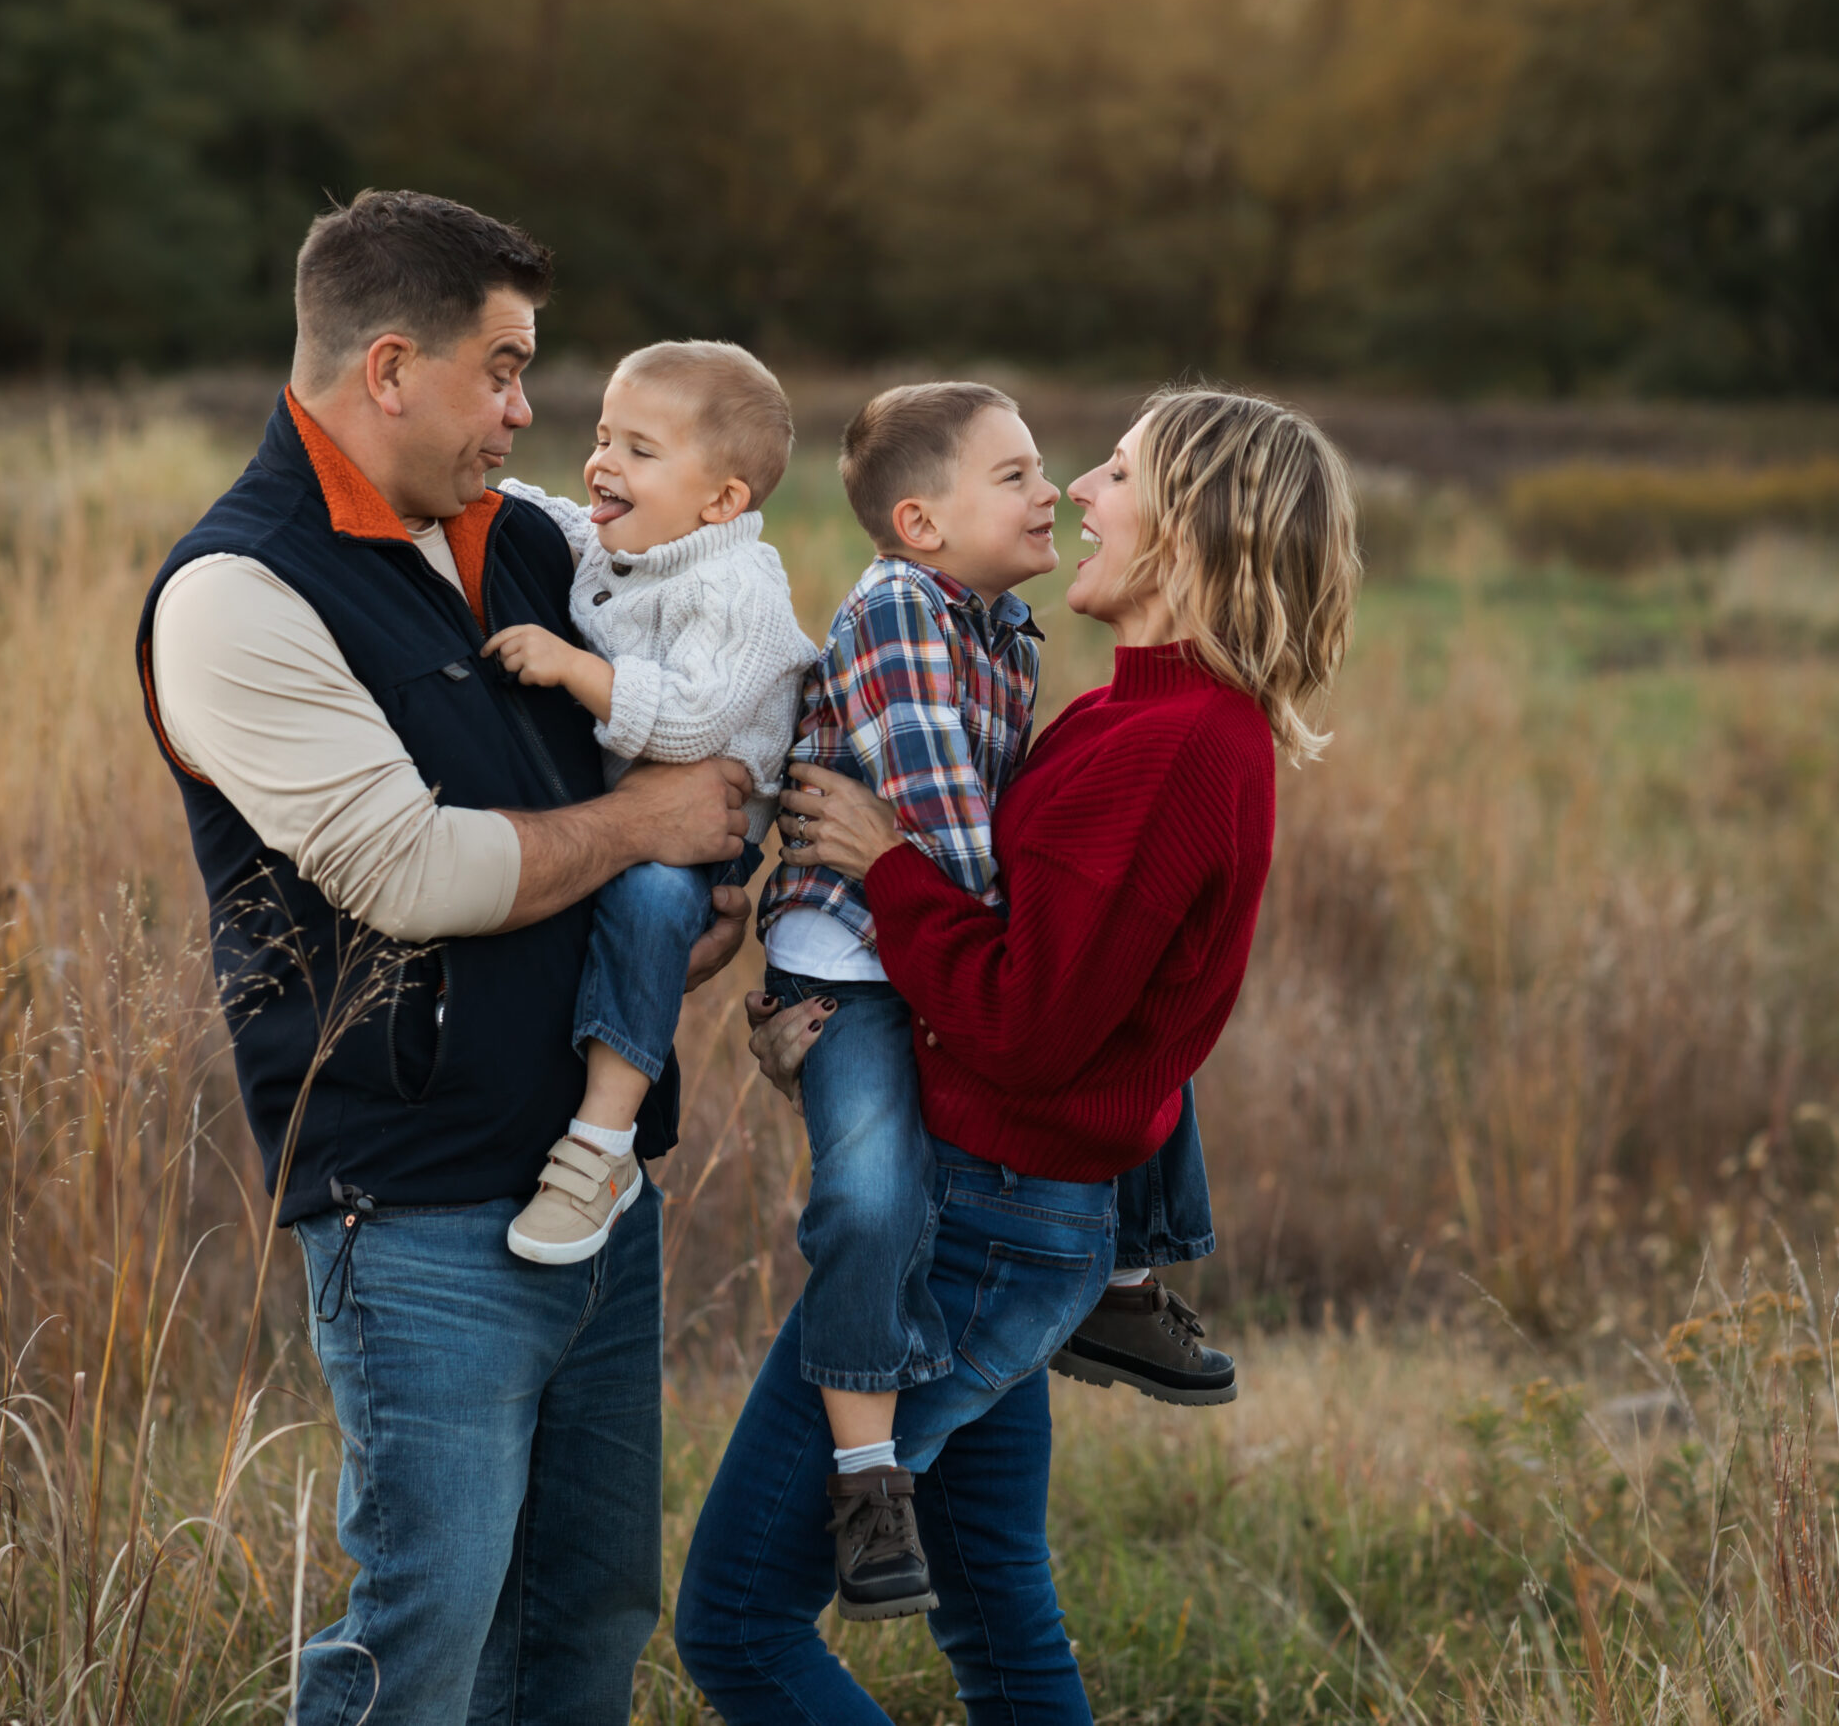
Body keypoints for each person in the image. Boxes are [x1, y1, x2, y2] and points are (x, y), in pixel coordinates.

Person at [137, 190, 752, 1726]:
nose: (527, 412)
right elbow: (412, 870)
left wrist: (697, 892)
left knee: (583, 1623)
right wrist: (648, 824)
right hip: (413, 1208)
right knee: (420, 1646)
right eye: (505, 368)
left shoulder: (540, 539)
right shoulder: (237, 593)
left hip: (598, 1184)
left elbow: (710, 672)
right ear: (392, 366)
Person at [675, 387, 1362, 1724]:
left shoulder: (1165, 747)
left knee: (741, 1622)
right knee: (993, 1596)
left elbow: (1030, 1024)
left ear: (1190, 531)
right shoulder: (1139, 714)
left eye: (1116, 471)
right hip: (1006, 1204)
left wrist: (884, 866)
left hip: (980, 1225)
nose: (1078, 494)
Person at [749, 381, 1233, 1624]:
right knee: (866, 1193)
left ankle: (1123, 1284)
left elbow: (998, 871)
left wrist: (1005, 957)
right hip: (862, 961)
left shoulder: (1011, 631)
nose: (1058, 490)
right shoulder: (911, 612)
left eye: (1084, 474)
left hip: (956, 1030)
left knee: (825, 1613)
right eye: (1016, 474)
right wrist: (994, 946)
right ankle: (872, 1471)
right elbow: (947, 826)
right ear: (918, 521)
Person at [483, 341, 816, 1263]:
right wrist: (478, 491)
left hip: (703, 828)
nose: (602, 464)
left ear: (722, 501)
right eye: (601, 437)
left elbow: (691, 722)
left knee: (651, 903)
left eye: (638, 449)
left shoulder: (734, 585)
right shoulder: (628, 539)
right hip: (634, 813)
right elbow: (554, 517)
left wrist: (574, 666)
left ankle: (601, 1142)